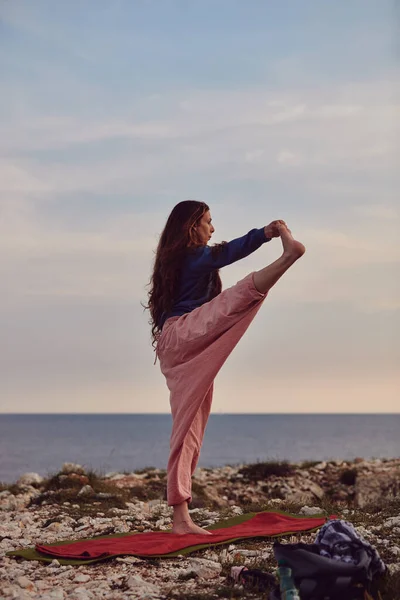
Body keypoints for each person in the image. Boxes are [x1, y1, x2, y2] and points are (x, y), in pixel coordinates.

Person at [143, 200, 305, 535]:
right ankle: (288, 257)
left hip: (178, 342)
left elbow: (219, 255)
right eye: (207, 221)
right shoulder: (190, 256)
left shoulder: (177, 261)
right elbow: (227, 252)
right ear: (191, 226)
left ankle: (181, 518)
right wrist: (265, 233)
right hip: (183, 333)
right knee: (237, 298)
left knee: (190, 424)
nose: (212, 228)